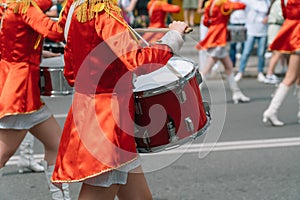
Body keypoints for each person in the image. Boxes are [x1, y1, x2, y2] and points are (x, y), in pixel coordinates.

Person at [50, 0, 188, 199]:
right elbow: (138, 61)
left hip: (92, 108)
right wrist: (173, 37)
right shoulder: (104, 11)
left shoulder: (75, 7)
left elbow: (71, 69)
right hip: (108, 118)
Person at [0, 0, 71, 199]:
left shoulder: (9, 4)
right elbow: (56, 32)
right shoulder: (25, 6)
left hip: (19, 88)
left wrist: (37, 53)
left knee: (56, 145)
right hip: (20, 94)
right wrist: (70, 6)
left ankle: (62, 198)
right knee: (2, 156)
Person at [195, 0, 250, 104]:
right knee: (206, 70)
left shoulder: (210, 3)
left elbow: (206, 22)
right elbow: (241, 5)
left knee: (228, 67)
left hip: (214, 35)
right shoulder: (223, 3)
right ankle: (194, 95)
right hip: (219, 37)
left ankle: (237, 93)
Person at [262, 0, 300, 126]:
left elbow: (285, 14)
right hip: (298, 35)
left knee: (297, 77)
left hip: (291, 32)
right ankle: (271, 110)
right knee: (291, 77)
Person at [234, 0, 271, 83]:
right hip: (251, 30)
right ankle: (240, 72)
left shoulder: (266, 2)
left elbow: (270, 12)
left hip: (263, 30)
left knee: (261, 53)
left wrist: (267, 18)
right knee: (246, 52)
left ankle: (260, 72)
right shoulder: (249, 1)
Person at [264, 0, 286, 84]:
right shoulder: (280, 3)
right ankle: (269, 74)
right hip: (276, 28)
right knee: (277, 53)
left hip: (278, 28)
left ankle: (273, 72)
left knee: (279, 53)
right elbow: (282, 16)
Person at [228, 0, 246, 68]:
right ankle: (232, 63)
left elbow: (245, 5)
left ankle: (242, 64)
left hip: (244, 22)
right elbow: (228, 6)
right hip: (233, 23)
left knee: (244, 45)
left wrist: (236, 6)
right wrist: (238, 5)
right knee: (233, 45)